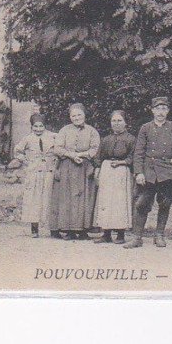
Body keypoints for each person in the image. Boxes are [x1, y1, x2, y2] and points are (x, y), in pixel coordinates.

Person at [125, 96, 172, 249]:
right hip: (149, 171)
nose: (161, 112)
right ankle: (137, 237)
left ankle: (159, 235)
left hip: (168, 171)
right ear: (152, 110)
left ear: (168, 111)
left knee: (165, 203)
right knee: (141, 203)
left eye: (164, 109)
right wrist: (139, 173)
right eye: (158, 109)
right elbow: (139, 152)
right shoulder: (145, 128)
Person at [51, 103, 101, 240]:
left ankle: (84, 230)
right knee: (67, 198)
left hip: (85, 168)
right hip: (67, 166)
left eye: (79, 115)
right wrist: (72, 155)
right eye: (73, 115)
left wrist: (83, 155)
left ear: (84, 115)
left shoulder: (92, 131)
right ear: (70, 117)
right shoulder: (64, 130)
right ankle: (68, 229)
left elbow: (95, 149)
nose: (76, 118)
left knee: (84, 198)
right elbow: (57, 148)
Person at [93, 110, 136, 245]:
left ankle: (120, 234)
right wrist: (97, 169)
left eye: (119, 121)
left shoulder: (131, 139)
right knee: (106, 201)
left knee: (119, 202)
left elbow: (133, 156)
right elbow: (99, 156)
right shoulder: (106, 139)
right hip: (107, 170)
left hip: (121, 171)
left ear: (125, 123)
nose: (116, 124)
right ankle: (106, 234)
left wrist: (122, 162)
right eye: (114, 121)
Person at [13, 113, 57, 238]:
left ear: (45, 126)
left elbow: (60, 147)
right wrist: (25, 159)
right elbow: (17, 151)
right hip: (34, 172)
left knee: (49, 198)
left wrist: (55, 159)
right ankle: (34, 228)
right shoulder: (28, 139)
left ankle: (52, 228)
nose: (38, 129)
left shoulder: (53, 136)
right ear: (32, 126)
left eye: (41, 126)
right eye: (35, 126)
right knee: (34, 199)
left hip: (49, 171)